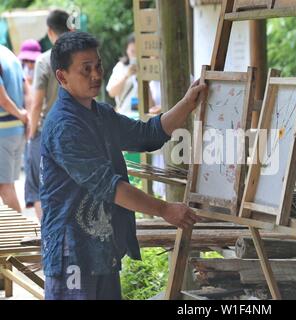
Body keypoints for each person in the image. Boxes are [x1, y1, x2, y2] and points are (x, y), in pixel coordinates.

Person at [41, 31, 206, 300]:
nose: (96, 75)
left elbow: (146, 134)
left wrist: (187, 104)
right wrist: (164, 209)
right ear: (62, 77)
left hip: (102, 245)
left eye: (98, 66)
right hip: (72, 250)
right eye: (86, 69)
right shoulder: (64, 127)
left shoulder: (100, 113)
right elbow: (111, 187)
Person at [26, 10, 70, 221]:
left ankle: (50, 237)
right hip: (75, 130)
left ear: (50, 31)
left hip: (47, 132)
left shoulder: (45, 60)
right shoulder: (82, 57)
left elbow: (36, 104)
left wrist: (31, 134)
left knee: (42, 189)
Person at [0, 44, 28, 213]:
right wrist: (26, 118)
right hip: (16, 130)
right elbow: (27, 91)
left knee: (5, 187)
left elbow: (2, 99)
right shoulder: (9, 54)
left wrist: (20, 114)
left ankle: (23, 236)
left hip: (3, 131)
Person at [106, 34, 138, 115]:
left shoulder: (149, 67)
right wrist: (126, 76)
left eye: (138, 51)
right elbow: (111, 92)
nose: (135, 55)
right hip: (124, 115)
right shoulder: (120, 67)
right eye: (132, 51)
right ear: (126, 50)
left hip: (145, 116)